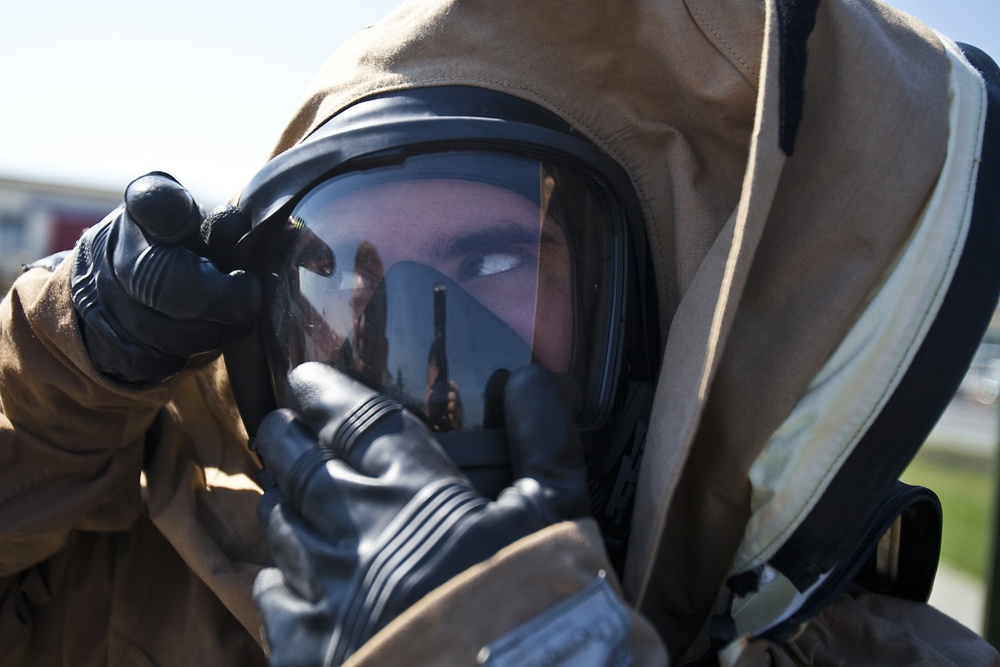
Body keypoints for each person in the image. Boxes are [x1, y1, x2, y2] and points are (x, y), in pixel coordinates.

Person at [2, 2, 999, 667]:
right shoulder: (151, 554)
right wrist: (58, 370)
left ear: (643, 312)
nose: (411, 349)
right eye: (349, 279)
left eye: (486, 265)